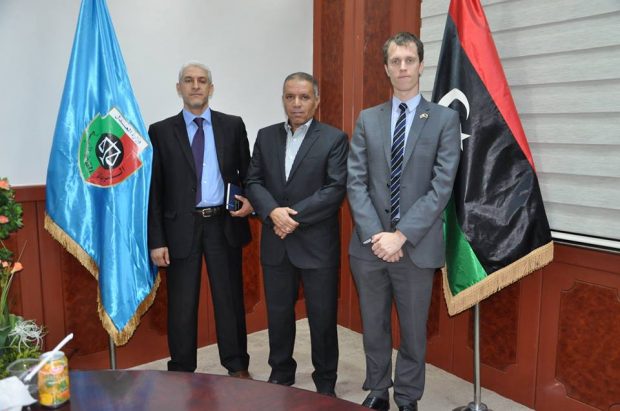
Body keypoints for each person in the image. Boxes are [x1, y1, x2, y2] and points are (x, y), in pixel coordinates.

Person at [347, 32, 461, 411]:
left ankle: (408, 396)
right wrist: (377, 235)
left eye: (409, 60)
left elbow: (441, 187)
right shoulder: (368, 119)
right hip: (370, 246)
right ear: (386, 68)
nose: (402, 67)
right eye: (395, 61)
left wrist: (400, 236)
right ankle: (378, 389)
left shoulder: (444, 120)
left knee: (413, 331)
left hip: (416, 246)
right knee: (374, 326)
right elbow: (356, 181)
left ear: (421, 65)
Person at [245, 72, 348, 396]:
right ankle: (281, 372)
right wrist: (272, 212)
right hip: (276, 242)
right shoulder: (266, 136)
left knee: (322, 317)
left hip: (316, 244)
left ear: (316, 101)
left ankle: (325, 381)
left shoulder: (333, 139)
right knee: (278, 314)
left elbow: (335, 189)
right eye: (290, 97)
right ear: (283, 100)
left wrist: (291, 217)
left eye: (304, 97)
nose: (297, 103)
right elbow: (253, 181)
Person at [148, 62, 253, 378]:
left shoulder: (232, 126)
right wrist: (156, 241)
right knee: (181, 304)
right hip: (180, 227)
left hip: (223, 224)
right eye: (189, 80)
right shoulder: (160, 132)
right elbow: (154, 191)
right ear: (179, 87)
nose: (196, 86)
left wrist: (251, 200)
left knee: (229, 299)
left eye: (202, 81)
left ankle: (237, 364)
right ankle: (181, 369)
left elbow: (249, 174)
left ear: (211, 88)